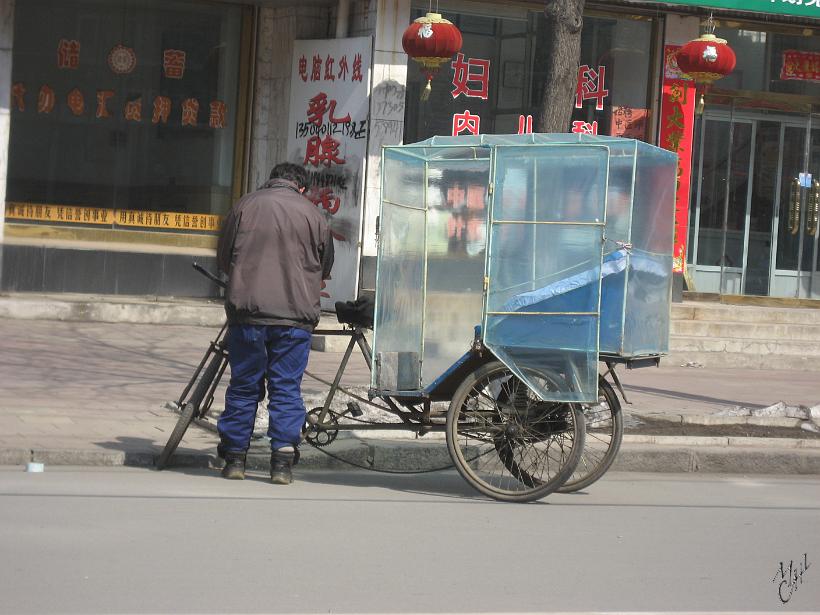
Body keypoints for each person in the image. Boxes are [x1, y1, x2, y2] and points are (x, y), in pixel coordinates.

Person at [216, 162, 334, 484]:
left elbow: (224, 257)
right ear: (302, 188)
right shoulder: (313, 215)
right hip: (295, 318)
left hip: (249, 314)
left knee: (243, 385)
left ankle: (235, 460)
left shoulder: (245, 205)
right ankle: (282, 460)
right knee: (286, 387)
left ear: (270, 181)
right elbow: (324, 266)